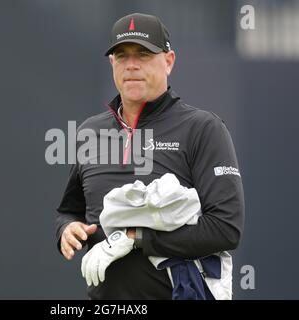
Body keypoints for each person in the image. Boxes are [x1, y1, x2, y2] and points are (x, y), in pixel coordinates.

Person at [55, 12, 245, 299]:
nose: (131, 65)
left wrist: (135, 239)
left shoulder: (203, 128)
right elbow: (69, 210)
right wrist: (67, 229)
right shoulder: (89, 132)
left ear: (168, 61)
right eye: (121, 55)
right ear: (112, 63)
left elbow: (225, 229)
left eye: (143, 54)